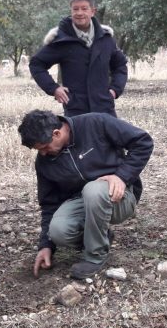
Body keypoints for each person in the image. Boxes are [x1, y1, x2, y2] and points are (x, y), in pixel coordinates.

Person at [17, 109, 153, 279]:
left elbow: (143, 141)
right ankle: (101, 236)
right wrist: (46, 245)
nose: (43, 153)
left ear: (57, 133)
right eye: (39, 150)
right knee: (58, 231)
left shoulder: (96, 123)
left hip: (120, 197)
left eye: (44, 147)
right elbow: (49, 203)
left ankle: (95, 256)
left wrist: (121, 177)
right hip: (82, 201)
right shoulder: (44, 161)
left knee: (93, 190)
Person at [29, 0, 128, 117]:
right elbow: (36, 64)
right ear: (71, 11)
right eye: (75, 9)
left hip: (105, 109)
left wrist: (115, 90)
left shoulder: (105, 38)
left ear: (93, 11)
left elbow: (120, 65)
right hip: (76, 111)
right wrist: (53, 88)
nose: (79, 13)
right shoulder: (61, 39)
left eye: (84, 8)